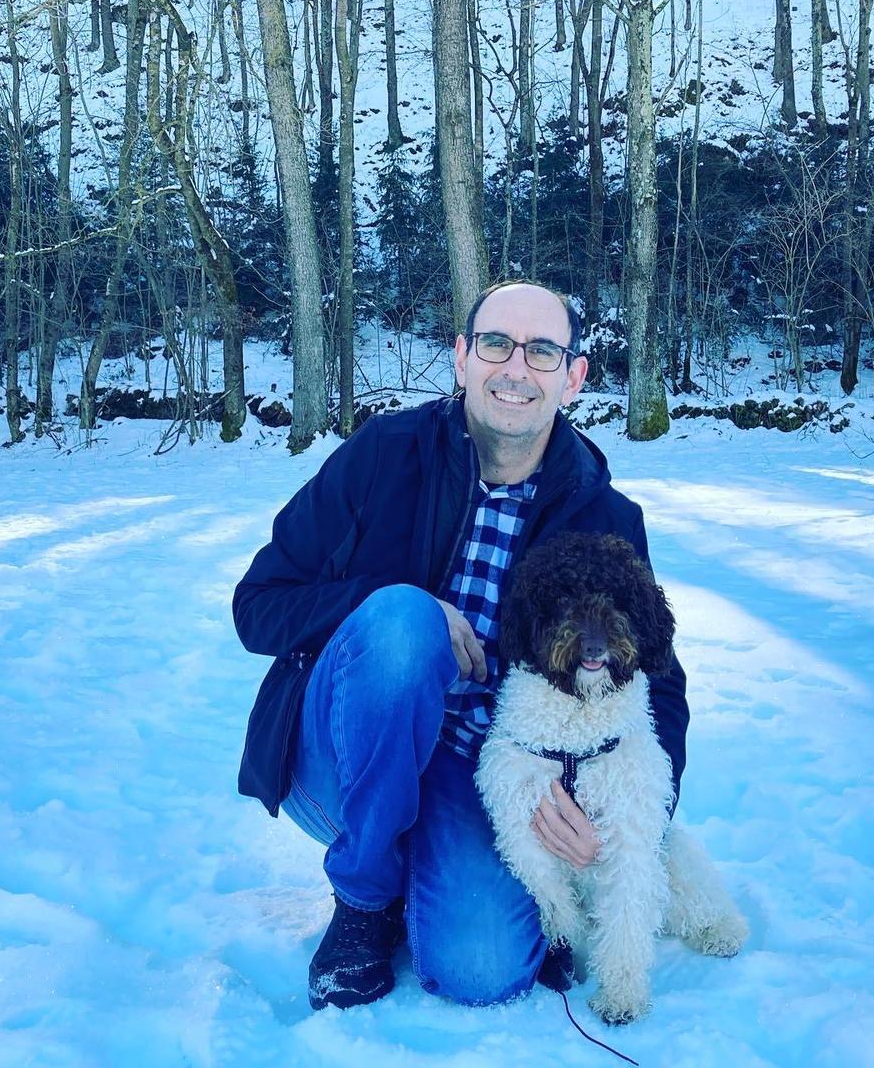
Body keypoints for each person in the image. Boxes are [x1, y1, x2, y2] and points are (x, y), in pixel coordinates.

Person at [232, 280, 689, 1011]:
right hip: (348, 749)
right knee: (402, 625)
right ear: (461, 358)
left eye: (542, 350)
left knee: (481, 967)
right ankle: (365, 897)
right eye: (495, 344)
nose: (515, 368)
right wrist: (386, 604)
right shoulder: (382, 454)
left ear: (573, 377)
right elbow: (256, 608)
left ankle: (432, 861)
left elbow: (656, 676)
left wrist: (634, 812)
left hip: (490, 770)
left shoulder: (602, 513)